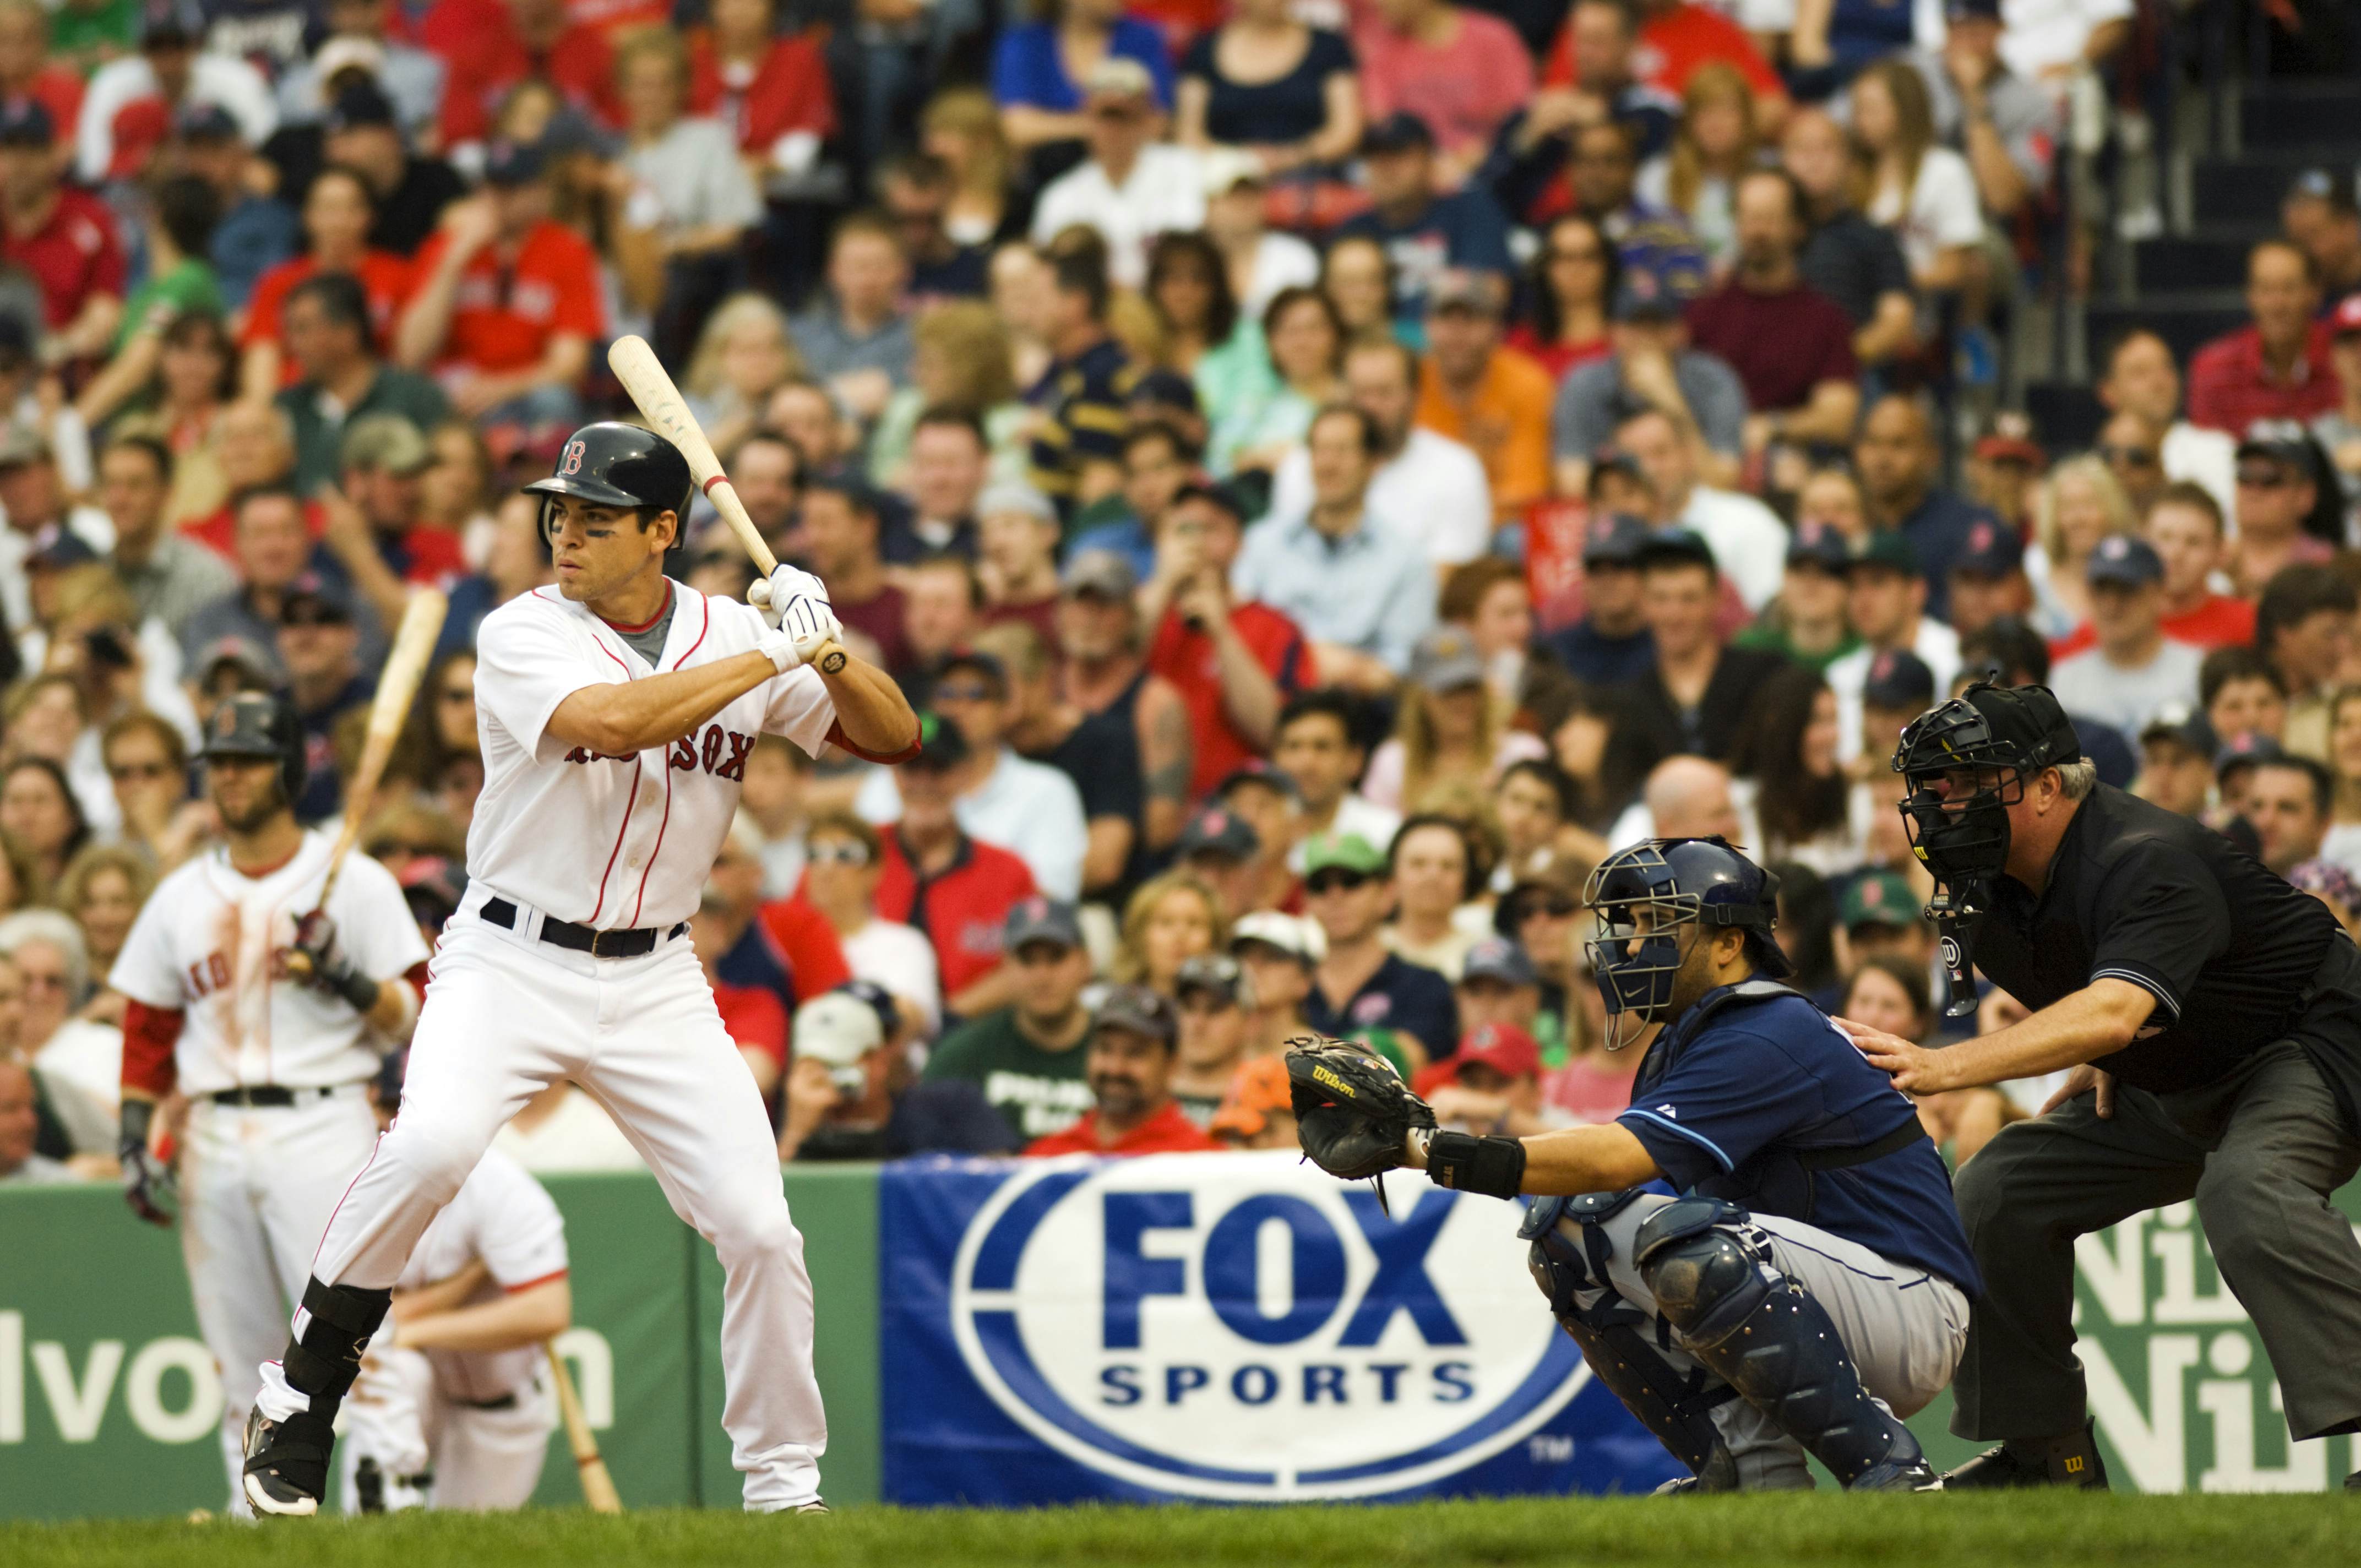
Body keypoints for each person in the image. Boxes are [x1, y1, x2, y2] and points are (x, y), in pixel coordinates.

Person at [236, 422, 920, 1517]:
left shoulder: (733, 630)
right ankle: (300, 1395)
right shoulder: (520, 631)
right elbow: (606, 719)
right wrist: (772, 653)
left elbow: (894, 737)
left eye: (597, 516)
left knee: (757, 1225)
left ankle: (784, 1487)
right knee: (432, 1142)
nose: (566, 530)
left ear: (662, 531)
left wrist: (830, 647)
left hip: (655, 973)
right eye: (559, 510)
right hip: (510, 951)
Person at [1293, 835, 1976, 1492]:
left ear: (1730, 943)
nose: (1630, 943)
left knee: (1674, 1237)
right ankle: (1751, 1472)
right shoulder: (1686, 1041)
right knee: (1569, 1236)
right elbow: (1607, 1191)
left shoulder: (1771, 1027)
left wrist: (1428, 1149)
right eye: (1629, 924)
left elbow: (1616, 1159)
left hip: (1906, 1299)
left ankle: (1888, 1469)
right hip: (1826, 1286)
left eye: (1659, 923)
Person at [1849, 682, 2361, 1488]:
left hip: (2303, 1043)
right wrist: (2111, 1046)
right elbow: (2111, 1002)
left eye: (1975, 784)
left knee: (2250, 1190)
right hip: (2175, 1068)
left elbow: (2118, 1006)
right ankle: (2046, 1457)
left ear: (2049, 786)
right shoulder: (1980, 883)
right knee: (1995, 1191)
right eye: (1936, 789)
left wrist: (1946, 1063)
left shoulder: (2143, 856)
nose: (1947, 807)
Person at [108, 693, 431, 1514]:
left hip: (325, 1122)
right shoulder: (181, 895)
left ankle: (390, 1502)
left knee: (354, 1339)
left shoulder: (352, 881)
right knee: (239, 1355)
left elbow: (415, 1013)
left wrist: (345, 977)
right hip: (214, 1131)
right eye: (220, 765)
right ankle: (253, 1521)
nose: (231, 778)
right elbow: (148, 1032)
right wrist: (134, 1138)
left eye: (248, 760)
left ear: (289, 766)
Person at [335, 1057, 569, 1514]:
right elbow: (348, 1315)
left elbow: (547, 1311)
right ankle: (373, 1522)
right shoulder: (354, 1187)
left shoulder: (500, 1187)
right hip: (420, 1384)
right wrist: (462, 1284)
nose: (402, 1124)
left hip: (498, 1406)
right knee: (398, 1369)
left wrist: (418, 1328)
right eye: (392, 1107)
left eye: (415, 1109)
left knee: (473, 1551)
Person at [392, 141, 602, 435]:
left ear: (540, 192)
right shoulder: (445, 245)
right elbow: (411, 354)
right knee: (410, 397)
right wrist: (453, 261)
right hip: (456, 391)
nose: (498, 199)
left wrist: (498, 388)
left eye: (511, 189)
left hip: (525, 393)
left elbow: (569, 364)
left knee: (554, 399)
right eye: (491, 187)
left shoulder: (567, 250)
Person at [1231, 403, 1439, 687]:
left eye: (1342, 451)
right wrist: (1310, 662)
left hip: (1361, 705)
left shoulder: (1406, 558)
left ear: (1373, 463)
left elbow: (1405, 663)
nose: (1328, 465)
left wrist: (1337, 669)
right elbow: (1238, 627)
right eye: (1320, 451)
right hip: (1270, 691)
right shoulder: (1262, 542)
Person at [856, 647, 1088, 900]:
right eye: (947, 693)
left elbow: (1052, 900)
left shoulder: (1047, 790)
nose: (960, 707)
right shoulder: (888, 783)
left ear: (1007, 708)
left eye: (977, 694)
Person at [1266, 335, 1492, 567]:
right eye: (1360, 393)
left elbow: (1453, 578)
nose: (1371, 407)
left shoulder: (1456, 469)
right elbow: (1284, 565)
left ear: (1414, 395)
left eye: (1385, 393)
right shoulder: (1303, 467)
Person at [1682, 168, 1859, 460]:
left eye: (1770, 219)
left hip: (1790, 459)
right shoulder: (1703, 311)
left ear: (1798, 227)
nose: (1757, 231)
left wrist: (1773, 427)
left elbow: (1838, 419)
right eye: (1749, 218)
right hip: (1708, 455)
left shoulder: (1826, 320)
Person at [1141, 479, 1303, 797]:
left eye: (1211, 529)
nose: (1197, 543)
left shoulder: (1276, 628)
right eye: (1183, 530)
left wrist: (1220, 629)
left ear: (1239, 543)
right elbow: (1110, 678)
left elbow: (1272, 731)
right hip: (1147, 801)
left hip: (1238, 806)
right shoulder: (1134, 609)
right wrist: (1162, 585)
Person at [873, 714, 1040, 1017]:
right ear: (894, 775)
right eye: (912, 768)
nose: (924, 783)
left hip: (972, 1032)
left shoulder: (1008, 871)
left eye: (939, 769)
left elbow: (1032, 962)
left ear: (964, 774)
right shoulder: (855, 854)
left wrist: (945, 1020)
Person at [1551, 268, 1745, 500]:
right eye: (1635, 326)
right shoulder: (1583, 384)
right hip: (1616, 514)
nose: (1646, 338)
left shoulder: (1713, 380)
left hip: (1695, 512)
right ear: (1613, 331)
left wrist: (1672, 402)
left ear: (1681, 332)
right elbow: (1573, 486)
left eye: (1657, 326)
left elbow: (1723, 484)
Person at [925, 897, 1097, 1141]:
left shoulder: (1121, 1054)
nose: (1042, 976)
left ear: (1086, 963)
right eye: (1028, 960)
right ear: (1005, 965)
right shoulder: (962, 1057)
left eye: (1056, 958)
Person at [1030, 58, 1204, 292]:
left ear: (1149, 119)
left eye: (1125, 116)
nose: (1114, 129)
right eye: (1105, 116)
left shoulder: (1186, 170)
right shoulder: (1060, 196)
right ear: (1087, 119)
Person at [1618, 530, 1787, 763]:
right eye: (1660, 598)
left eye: (1689, 598)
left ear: (1716, 599)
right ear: (1643, 603)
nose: (1674, 615)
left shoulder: (1764, 676)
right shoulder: (1629, 698)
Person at [1330, 112, 1514, 321]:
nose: (1387, 168)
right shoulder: (1353, 229)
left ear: (1429, 161)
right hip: (1376, 346)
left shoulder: (1470, 210)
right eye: (1376, 158)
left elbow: (1493, 292)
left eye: (1399, 156)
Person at [1611, 404, 1786, 613]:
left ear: (1688, 455)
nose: (1649, 469)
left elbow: (1770, 617)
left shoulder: (1746, 522)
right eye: (1634, 459)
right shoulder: (1608, 537)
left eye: (1661, 453)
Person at [1301, 830, 1456, 1063]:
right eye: (1320, 886)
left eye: (1351, 881)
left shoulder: (1424, 985)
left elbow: (1405, 1063)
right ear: (1308, 901)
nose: (1335, 896)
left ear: (1386, 893)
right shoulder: (1294, 985)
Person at [1415, 270, 1553, 525]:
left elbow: (1526, 491)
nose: (1458, 333)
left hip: (1502, 524)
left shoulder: (1528, 383)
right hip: (1423, 525)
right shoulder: (1409, 384)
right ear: (1427, 327)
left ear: (1498, 329)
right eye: (1447, 320)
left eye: (1471, 320)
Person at [1022, 983, 1219, 1155]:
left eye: (1135, 1053)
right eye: (1104, 1049)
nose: (1115, 1068)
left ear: (1172, 1064)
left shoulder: (1202, 1160)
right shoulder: (1046, 1158)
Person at [1365, 626, 1546, 812]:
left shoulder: (1519, 754)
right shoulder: (1394, 762)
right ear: (1420, 698)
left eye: (1469, 687)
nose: (1462, 701)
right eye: (1447, 690)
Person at [1848, 58, 1982, 303]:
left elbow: (1955, 269)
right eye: (1857, 110)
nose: (1860, 120)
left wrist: (1884, 282)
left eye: (1871, 109)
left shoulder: (1945, 171)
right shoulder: (1848, 173)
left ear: (1905, 109)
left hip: (1921, 308)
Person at [1854, 393, 1995, 622]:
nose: (1883, 459)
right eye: (1873, 443)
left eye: (1899, 445)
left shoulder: (1966, 529)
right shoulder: (1845, 520)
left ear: (1931, 455)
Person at [1176, 0, 1359, 175]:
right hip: (1224, 185)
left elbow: (1346, 131)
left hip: (1313, 179)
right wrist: (1239, 161)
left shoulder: (1328, 47)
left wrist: (1292, 157)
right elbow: (1189, 135)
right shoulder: (1203, 51)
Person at [2045, 536, 2204, 738]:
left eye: (2126, 590)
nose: (2112, 605)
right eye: (2101, 591)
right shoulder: (2065, 680)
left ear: (2157, 593)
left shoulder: (2194, 672)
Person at [1826, 532, 1962, 766]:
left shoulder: (1955, 658)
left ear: (1916, 591)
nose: (1863, 599)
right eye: (1853, 586)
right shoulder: (1840, 674)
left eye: (1878, 582)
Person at [2187, 239, 2336, 435]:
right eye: (2265, 289)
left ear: (2315, 293)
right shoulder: (2213, 368)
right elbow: (2207, 455)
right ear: (2250, 296)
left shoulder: (2344, 359)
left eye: (2289, 289)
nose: (2277, 305)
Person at [2098, 328, 2237, 520]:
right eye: (2140, 373)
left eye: (2166, 368)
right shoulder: (2092, 467)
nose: (2158, 382)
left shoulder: (2215, 449)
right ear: (2108, 391)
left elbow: (2227, 531)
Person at [2228, 422, 2335, 599]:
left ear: (2305, 495)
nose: (2254, 490)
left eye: (2271, 478)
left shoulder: (2328, 571)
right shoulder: (2206, 561)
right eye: (2245, 474)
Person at [1507, 213, 1617, 382]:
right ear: (1545, 267)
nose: (1577, 268)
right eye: (1565, 258)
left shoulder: (1628, 341)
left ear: (1607, 266)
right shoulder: (1521, 345)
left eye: (1589, 256)